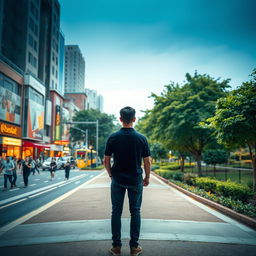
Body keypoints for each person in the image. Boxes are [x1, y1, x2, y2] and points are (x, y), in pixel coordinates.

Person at [104, 106, 151, 256]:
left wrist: (112, 175)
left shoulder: (113, 137)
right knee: (135, 211)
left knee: (116, 212)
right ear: (134, 119)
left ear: (120, 119)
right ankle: (134, 247)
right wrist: (147, 177)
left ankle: (116, 247)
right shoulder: (141, 138)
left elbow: (106, 160)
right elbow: (147, 161)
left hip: (117, 178)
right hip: (135, 179)